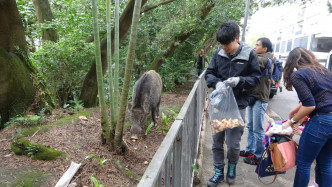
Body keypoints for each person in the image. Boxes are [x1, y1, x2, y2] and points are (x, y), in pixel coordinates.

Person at [205, 20, 261, 186]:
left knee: (233, 144)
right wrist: (217, 83)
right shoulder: (218, 54)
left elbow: (256, 78)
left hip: (238, 105)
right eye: (221, 45)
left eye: (226, 45)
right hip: (219, 106)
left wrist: (240, 80)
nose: (224, 48)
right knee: (217, 142)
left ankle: (231, 167)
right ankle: (218, 172)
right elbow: (209, 73)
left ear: (236, 38)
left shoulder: (249, 54)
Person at [281, 47, 332, 187]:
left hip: (322, 121)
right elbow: (318, 97)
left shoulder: (299, 74)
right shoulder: (323, 71)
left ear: (292, 62)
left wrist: (291, 122)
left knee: (303, 163)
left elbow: (310, 106)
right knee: (326, 164)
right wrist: (296, 110)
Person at [240, 37, 274, 165]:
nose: (255, 47)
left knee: (258, 129)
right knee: (250, 126)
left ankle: (258, 156)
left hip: (260, 98)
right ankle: (250, 150)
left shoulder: (265, 59)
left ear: (265, 49)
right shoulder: (259, 57)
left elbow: (252, 62)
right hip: (253, 96)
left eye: (257, 45)